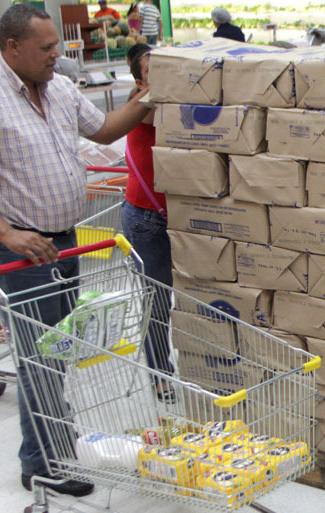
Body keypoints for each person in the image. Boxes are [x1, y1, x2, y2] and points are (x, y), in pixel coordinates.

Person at [0, 4, 151, 497]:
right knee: (39, 356)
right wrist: (8, 234)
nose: (58, 55)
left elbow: (102, 131)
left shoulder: (56, 89)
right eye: (47, 48)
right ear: (12, 47)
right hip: (20, 249)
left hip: (61, 244)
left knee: (57, 350)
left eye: (57, 45)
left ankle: (56, 438)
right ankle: (40, 462)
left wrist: (148, 97)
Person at [121, 46, 175, 401]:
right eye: (154, 70)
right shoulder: (140, 108)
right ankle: (159, 373)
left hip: (180, 217)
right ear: (140, 81)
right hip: (147, 219)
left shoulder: (172, 100)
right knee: (157, 299)